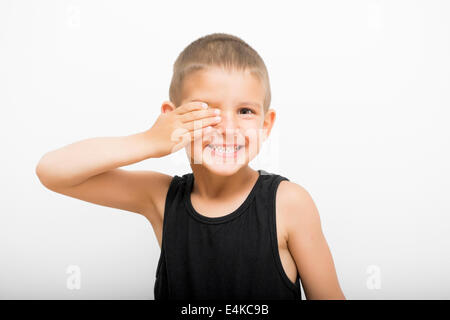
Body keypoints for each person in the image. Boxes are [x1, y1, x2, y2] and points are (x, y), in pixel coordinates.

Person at [36, 32, 345, 300]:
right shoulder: (160, 198)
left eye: (245, 111)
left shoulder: (289, 203)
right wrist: (150, 141)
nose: (227, 127)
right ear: (173, 117)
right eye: (206, 111)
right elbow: (52, 171)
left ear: (266, 124)